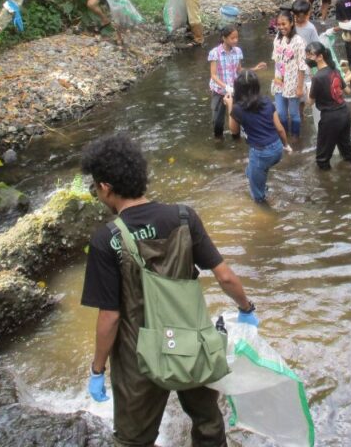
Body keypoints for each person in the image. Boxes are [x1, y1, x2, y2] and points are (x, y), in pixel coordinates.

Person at [80, 133, 260, 445]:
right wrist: (246, 309)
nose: (97, 193)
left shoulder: (106, 240)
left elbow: (109, 317)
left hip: (139, 357)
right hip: (191, 341)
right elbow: (225, 277)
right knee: (207, 423)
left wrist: (98, 369)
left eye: (96, 187)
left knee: (134, 439)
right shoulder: (183, 217)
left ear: (106, 187)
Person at [226, 71, 293, 203]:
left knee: (257, 197)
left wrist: (230, 105)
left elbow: (234, 131)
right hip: (277, 149)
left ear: (237, 89)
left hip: (260, 153)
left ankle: (267, 213)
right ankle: (263, 187)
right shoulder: (267, 101)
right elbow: (280, 129)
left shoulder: (237, 109)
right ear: (257, 87)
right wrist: (286, 145)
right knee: (250, 172)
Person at [306, 41, 351, 169]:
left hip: (330, 118)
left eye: (310, 55)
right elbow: (347, 91)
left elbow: (310, 102)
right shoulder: (334, 70)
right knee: (348, 152)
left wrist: (307, 91)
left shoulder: (317, 77)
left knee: (322, 159)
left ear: (320, 57)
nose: (307, 58)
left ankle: (328, 186)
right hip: (344, 114)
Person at [209, 25, 267, 139]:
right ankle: (218, 140)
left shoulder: (238, 51)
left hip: (236, 90)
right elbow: (213, 75)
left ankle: (236, 140)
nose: (235, 40)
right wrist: (226, 87)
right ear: (224, 38)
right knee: (217, 120)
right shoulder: (215, 53)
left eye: (236, 37)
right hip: (219, 91)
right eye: (232, 38)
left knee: (236, 117)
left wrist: (255, 68)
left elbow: (239, 70)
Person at [264, 10, 307, 138]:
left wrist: (299, 87)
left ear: (292, 23)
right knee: (281, 113)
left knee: (294, 113)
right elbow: (276, 61)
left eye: (284, 24)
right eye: (279, 24)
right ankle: (284, 138)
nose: (281, 27)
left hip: (293, 83)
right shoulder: (277, 39)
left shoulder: (298, 41)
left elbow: (302, 66)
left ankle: (295, 138)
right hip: (279, 81)